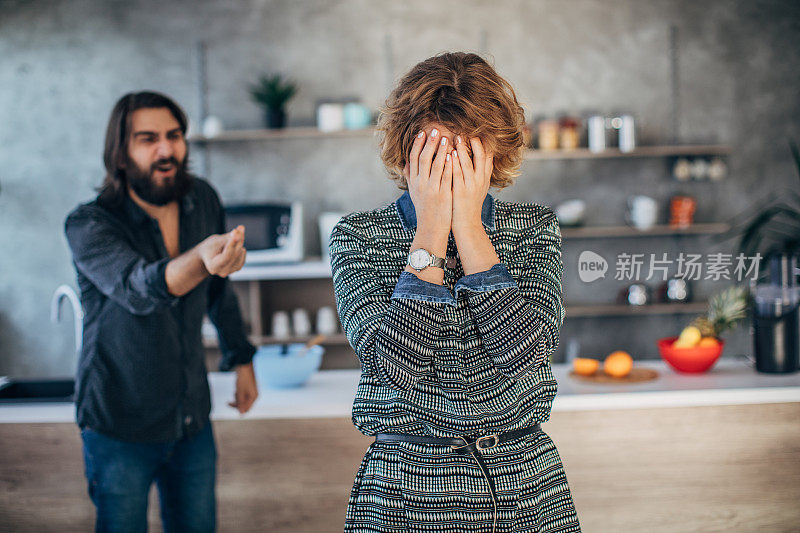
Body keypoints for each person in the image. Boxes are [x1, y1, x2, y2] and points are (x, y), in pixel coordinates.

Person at [329, 53, 582, 532]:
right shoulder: (358, 237)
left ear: (495, 154)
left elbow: (526, 352)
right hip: (406, 491)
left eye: (466, 155)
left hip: (522, 489)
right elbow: (399, 364)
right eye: (433, 151)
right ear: (406, 153)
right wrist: (429, 229)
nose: (448, 169)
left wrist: (468, 227)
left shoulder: (533, 230)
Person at [65, 91, 258, 532]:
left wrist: (242, 359)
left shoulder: (201, 199)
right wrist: (201, 259)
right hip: (118, 422)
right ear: (120, 153)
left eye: (174, 136)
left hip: (190, 417)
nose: (166, 150)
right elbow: (138, 290)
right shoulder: (89, 225)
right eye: (148, 139)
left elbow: (218, 292)